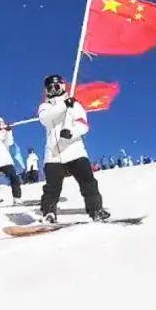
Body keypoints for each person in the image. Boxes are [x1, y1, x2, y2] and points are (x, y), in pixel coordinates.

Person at [38, 74, 109, 223]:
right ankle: (49, 212)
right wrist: (64, 104)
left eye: (56, 86)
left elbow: (83, 124)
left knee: (88, 182)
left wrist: (71, 133)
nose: (53, 90)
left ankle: (96, 210)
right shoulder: (45, 107)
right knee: (52, 187)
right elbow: (45, 119)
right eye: (49, 88)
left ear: (62, 87)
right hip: (54, 154)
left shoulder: (75, 105)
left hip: (75, 151)